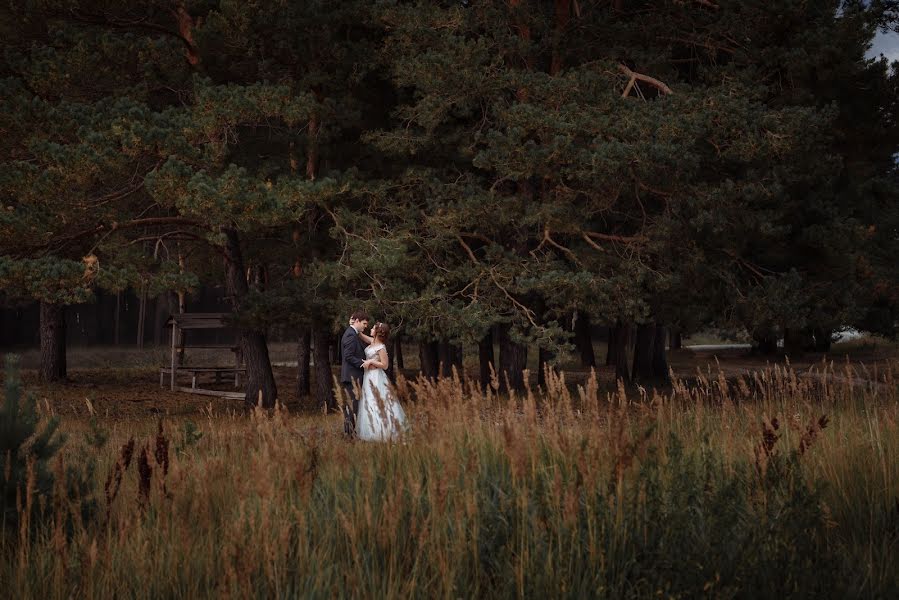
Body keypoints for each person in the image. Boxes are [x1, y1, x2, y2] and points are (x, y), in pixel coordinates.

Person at [355, 322, 408, 441]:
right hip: (368, 376)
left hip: (376, 377)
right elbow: (360, 335)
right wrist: (354, 325)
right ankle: (371, 431)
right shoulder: (372, 342)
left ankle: (383, 431)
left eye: (373, 328)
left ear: (378, 332)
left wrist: (371, 362)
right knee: (369, 401)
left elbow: (385, 365)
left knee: (377, 401)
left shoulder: (381, 347)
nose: (371, 329)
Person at [339, 311, 369, 437]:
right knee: (353, 406)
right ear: (357, 321)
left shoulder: (353, 333)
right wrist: (363, 363)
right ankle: (349, 434)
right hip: (352, 376)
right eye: (364, 323)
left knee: (354, 405)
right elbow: (348, 356)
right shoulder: (351, 335)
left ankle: (350, 432)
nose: (365, 326)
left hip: (353, 376)